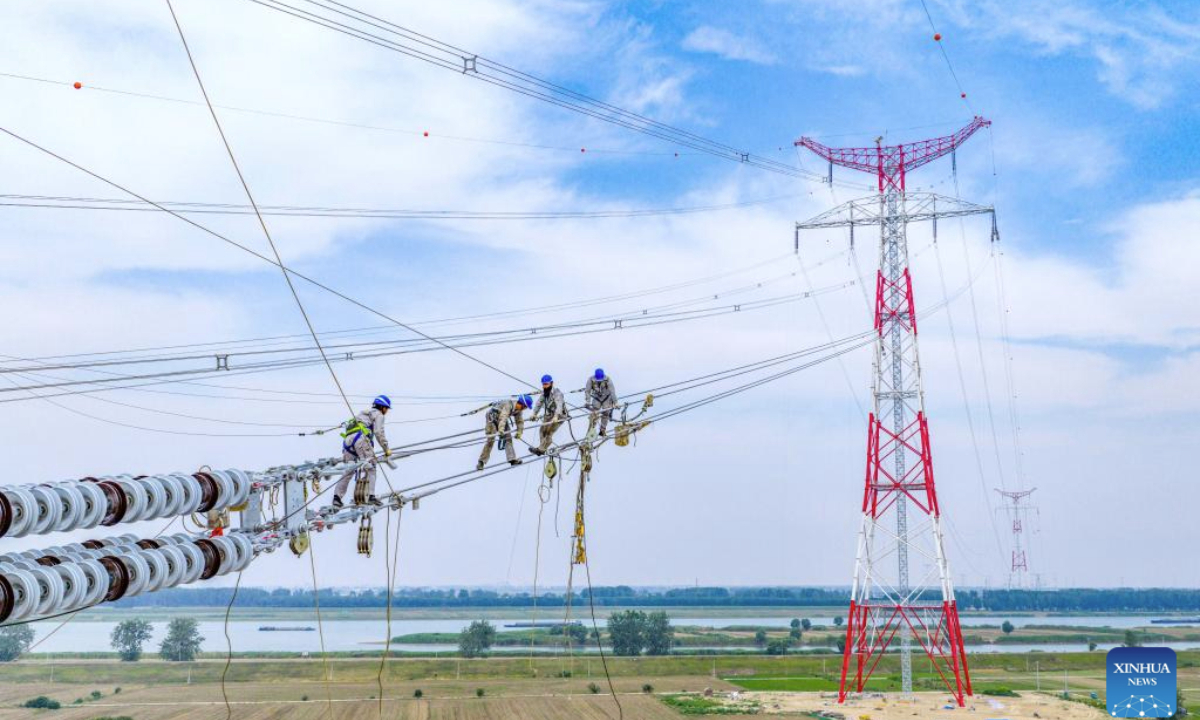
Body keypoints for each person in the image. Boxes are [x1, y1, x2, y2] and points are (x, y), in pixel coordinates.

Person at [330, 395, 391, 510]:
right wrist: (386, 448)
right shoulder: (379, 415)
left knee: (349, 470)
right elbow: (379, 432)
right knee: (371, 467)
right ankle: (370, 495)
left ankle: (337, 498)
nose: (386, 411)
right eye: (387, 408)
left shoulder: (362, 414)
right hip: (361, 440)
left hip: (348, 442)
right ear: (383, 407)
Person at [475, 394, 531, 471]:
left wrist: (519, 431)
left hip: (501, 420)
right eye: (525, 407)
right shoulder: (509, 405)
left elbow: (519, 421)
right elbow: (503, 417)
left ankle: (512, 459)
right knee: (491, 440)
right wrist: (501, 429)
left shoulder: (518, 410)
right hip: (492, 417)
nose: (524, 409)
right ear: (522, 404)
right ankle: (481, 462)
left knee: (508, 438)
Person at [529, 374, 567, 456]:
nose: (545, 386)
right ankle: (542, 446)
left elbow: (559, 405)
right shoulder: (544, 393)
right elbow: (539, 403)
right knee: (542, 430)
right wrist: (534, 414)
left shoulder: (557, 393)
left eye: (546, 384)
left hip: (559, 415)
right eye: (543, 384)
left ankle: (541, 449)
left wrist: (556, 416)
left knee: (549, 432)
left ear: (551, 383)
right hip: (549, 414)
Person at [585, 368, 617, 436]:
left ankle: (602, 430)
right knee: (594, 414)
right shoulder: (591, 379)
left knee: (605, 413)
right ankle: (591, 430)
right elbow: (587, 391)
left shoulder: (608, 379)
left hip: (606, 398)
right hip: (597, 398)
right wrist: (588, 401)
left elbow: (612, 391)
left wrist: (615, 402)